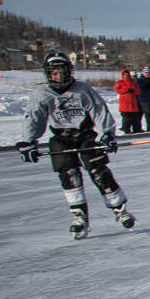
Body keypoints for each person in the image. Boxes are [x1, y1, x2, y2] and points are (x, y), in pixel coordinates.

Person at [15, 52, 136, 240]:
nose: (58, 76)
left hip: (85, 135)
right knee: (68, 174)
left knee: (98, 171)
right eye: (54, 73)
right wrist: (28, 142)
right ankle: (79, 215)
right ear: (48, 74)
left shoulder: (82, 90)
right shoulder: (42, 94)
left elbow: (99, 111)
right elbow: (34, 119)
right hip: (61, 138)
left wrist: (107, 135)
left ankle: (120, 209)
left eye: (61, 72)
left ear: (69, 72)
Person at [113, 68, 142, 134]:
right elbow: (117, 90)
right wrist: (126, 90)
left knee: (135, 119)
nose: (126, 75)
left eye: (127, 74)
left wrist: (134, 90)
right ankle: (126, 130)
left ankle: (136, 130)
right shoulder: (120, 82)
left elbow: (138, 91)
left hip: (133, 104)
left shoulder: (133, 82)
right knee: (126, 119)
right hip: (124, 104)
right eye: (125, 74)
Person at [136, 67, 150, 131]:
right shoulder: (140, 80)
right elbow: (142, 89)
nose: (147, 74)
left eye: (148, 72)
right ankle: (149, 127)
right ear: (143, 73)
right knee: (148, 114)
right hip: (145, 100)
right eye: (146, 72)